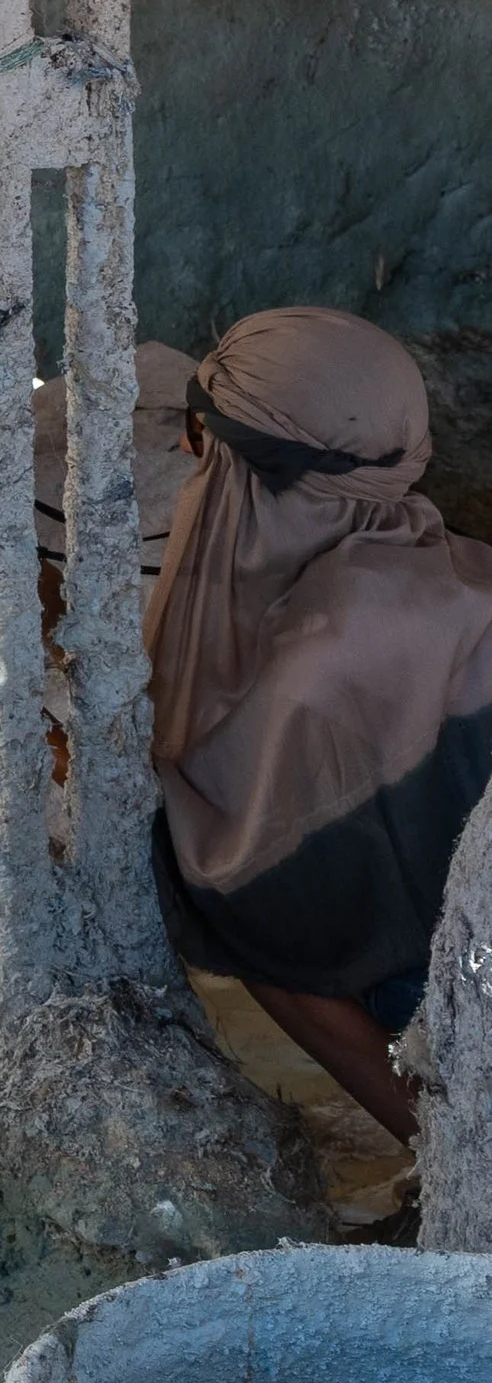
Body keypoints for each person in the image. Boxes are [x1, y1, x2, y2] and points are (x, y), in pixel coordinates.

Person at [146, 305, 492, 1144]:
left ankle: (459, 1170)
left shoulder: (316, 666)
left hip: (460, 997)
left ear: (239, 467)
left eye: (201, 440)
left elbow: (231, 871)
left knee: (253, 922)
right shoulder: (463, 571)